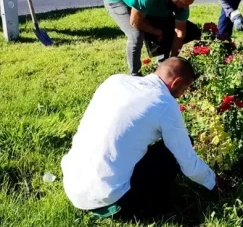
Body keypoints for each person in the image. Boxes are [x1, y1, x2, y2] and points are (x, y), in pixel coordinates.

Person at [61, 57, 221, 218]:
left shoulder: (115, 81)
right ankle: (153, 206)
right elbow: (188, 163)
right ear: (176, 82)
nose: (183, 94)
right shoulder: (164, 103)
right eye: (185, 89)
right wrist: (215, 182)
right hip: (111, 199)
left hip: (73, 186)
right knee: (170, 154)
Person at [104, 0, 201, 76]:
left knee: (168, 29)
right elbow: (135, 22)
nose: (186, 8)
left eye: (189, 4)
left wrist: (172, 61)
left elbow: (179, 33)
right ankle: (135, 75)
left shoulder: (182, 3)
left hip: (146, 2)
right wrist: (155, 31)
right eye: (184, 4)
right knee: (136, 35)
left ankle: (162, 67)